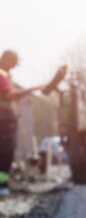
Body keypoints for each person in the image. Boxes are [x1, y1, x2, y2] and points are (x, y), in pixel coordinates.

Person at [0, 51, 44, 196]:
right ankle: (2, 186)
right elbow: (9, 94)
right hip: (3, 119)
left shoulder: (5, 75)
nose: (12, 67)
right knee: (5, 153)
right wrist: (31, 89)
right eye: (12, 63)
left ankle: (3, 184)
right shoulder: (1, 74)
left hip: (6, 118)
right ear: (6, 58)